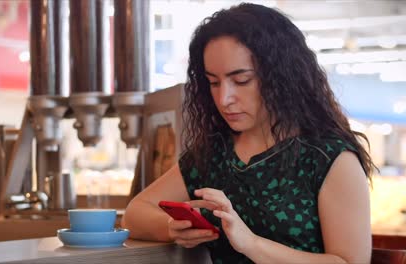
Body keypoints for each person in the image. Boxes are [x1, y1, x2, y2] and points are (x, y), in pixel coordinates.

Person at [122, 3, 374, 263]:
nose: (224, 98)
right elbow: (135, 213)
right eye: (213, 83)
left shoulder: (329, 157)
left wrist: (251, 243)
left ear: (282, 76)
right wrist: (172, 227)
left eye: (241, 81)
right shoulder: (214, 154)